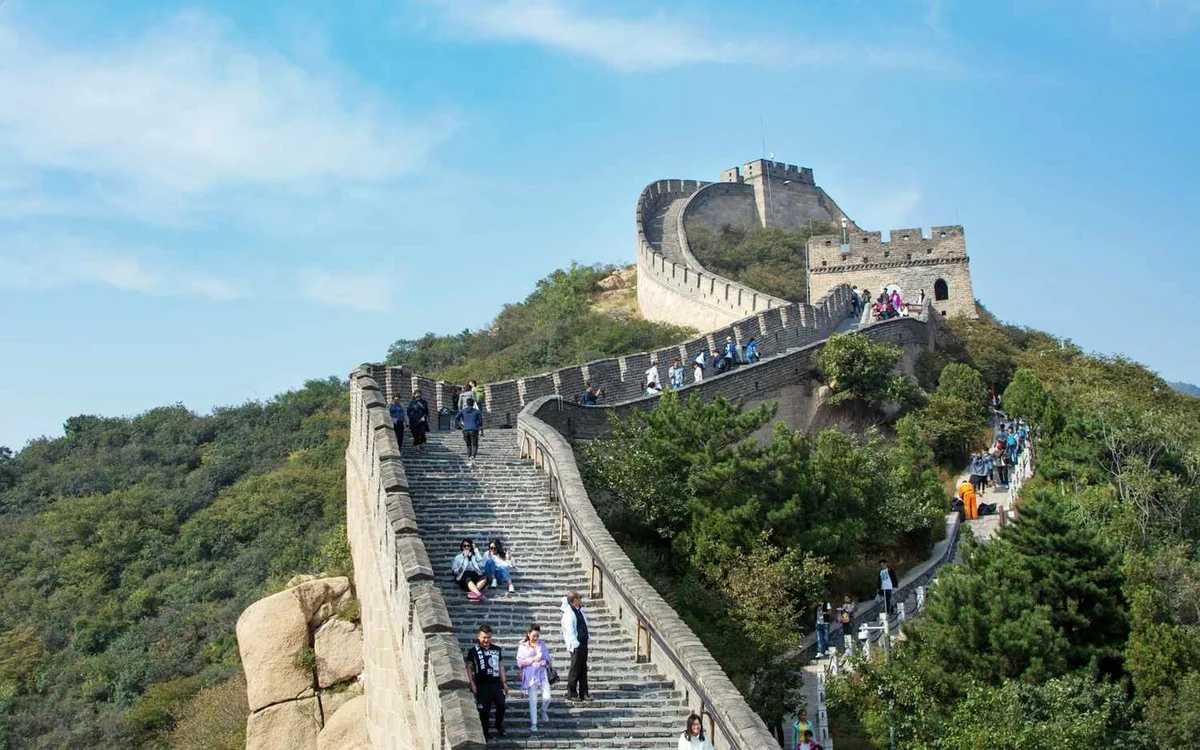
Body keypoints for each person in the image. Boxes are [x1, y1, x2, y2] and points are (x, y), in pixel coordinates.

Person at [465, 623, 508, 740]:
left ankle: (498, 725)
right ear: (478, 637)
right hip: (482, 685)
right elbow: (468, 667)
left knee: (502, 705)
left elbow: (500, 666)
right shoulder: (473, 651)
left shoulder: (497, 649)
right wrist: (471, 683)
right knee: (484, 710)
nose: (486, 640)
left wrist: (504, 682)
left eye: (488, 637)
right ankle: (485, 732)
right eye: (484, 637)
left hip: (496, 684)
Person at [515, 623, 553, 733]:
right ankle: (534, 723)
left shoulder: (542, 644)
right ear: (528, 634)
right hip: (530, 675)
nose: (536, 638)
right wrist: (532, 660)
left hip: (542, 673)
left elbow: (548, 659)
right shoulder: (523, 646)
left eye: (537, 635)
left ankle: (543, 710)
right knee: (533, 700)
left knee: (547, 697)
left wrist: (542, 661)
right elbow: (520, 663)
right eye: (534, 635)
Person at [560, 591, 590, 702]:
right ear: (574, 600)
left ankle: (584, 692)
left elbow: (584, 625)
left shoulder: (579, 611)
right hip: (576, 645)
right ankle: (572, 692)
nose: (581, 599)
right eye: (579, 597)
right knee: (575, 669)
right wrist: (575, 643)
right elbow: (569, 630)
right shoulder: (568, 613)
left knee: (583, 669)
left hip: (583, 643)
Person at [455, 397, 484, 462]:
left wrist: (460, 424)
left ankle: (469, 458)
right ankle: (473, 456)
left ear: (467, 404)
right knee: (474, 444)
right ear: (473, 404)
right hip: (474, 429)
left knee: (468, 445)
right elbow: (480, 422)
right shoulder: (477, 412)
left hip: (465, 429)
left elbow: (456, 417)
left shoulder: (463, 411)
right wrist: (479, 425)